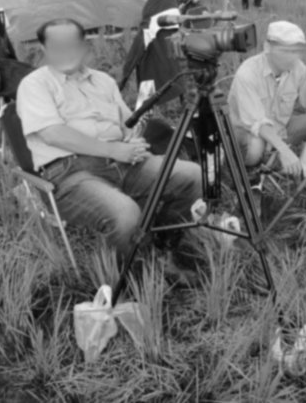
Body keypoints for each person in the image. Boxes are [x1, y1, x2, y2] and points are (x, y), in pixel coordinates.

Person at [16, 18, 202, 257]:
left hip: (124, 162)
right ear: (44, 49)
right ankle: (136, 268)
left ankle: (165, 245)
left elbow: (127, 124)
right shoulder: (35, 84)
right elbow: (53, 134)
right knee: (126, 214)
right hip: (71, 174)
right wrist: (113, 150)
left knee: (193, 176)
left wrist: (133, 138)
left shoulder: (103, 81)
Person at [228, 21, 306, 176]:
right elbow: (258, 124)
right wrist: (284, 150)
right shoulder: (247, 73)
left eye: (297, 51)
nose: (293, 57)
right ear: (267, 47)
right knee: (256, 147)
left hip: (280, 131)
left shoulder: (298, 68)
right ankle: (252, 169)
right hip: (247, 134)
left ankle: (291, 161)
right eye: (286, 51)